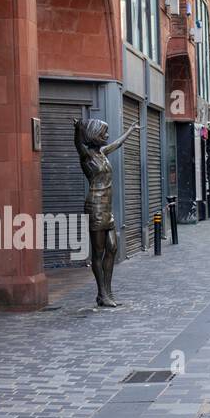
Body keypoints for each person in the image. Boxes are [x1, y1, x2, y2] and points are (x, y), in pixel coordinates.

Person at [74, 117, 139, 307]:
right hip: (96, 207)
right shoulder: (86, 155)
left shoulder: (102, 152)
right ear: (94, 135)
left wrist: (130, 130)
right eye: (104, 133)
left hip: (107, 208)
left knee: (112, 248)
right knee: (98, 251)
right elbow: (78, 143)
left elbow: (117, 144)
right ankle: (102, 293)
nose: (107, 136)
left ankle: (107, 291)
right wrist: (77, 129)